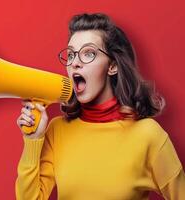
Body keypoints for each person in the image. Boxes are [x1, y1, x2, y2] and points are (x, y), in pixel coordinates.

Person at [15, 13, 185, 200]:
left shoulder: (148, 135)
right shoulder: (57, 130)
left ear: (112, 66)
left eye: (89, 53)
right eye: (71, 55)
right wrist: (33, 140)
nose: (75, 63)